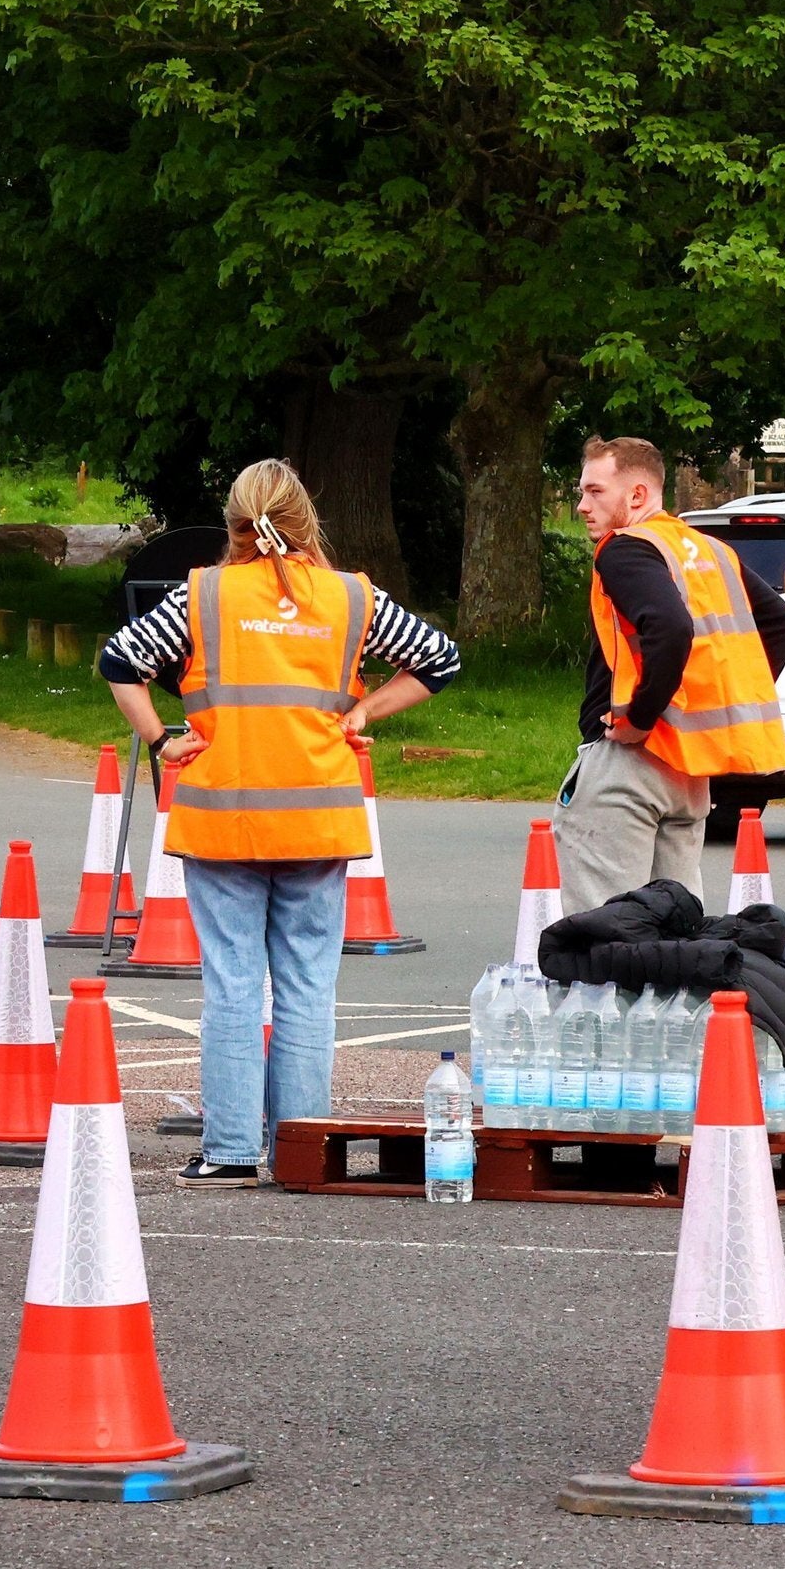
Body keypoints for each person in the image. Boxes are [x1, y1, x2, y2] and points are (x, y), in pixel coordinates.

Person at [101, 461, 459, 1184]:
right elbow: (439, 659)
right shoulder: (353, 598)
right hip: (318, 818)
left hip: (223, 815)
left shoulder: (201, 595)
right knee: (306, 985)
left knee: (233, 983)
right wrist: (363, 710)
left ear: (234, 522)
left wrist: (164, 740)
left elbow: (120, 660)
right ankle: (304, 1150)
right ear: (305, 520)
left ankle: (231, 1150)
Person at [559, 435, 785, 912]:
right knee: (678, 926)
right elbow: (781, 624)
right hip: (689, 771)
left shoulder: (624, 548)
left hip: (629, 762)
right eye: (581, 492)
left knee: (608, 928)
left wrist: (642, 717)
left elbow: (669, 628)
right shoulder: (709, 550)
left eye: (595, 491)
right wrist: (703, 703)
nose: (582, 505)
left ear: (637, 496)